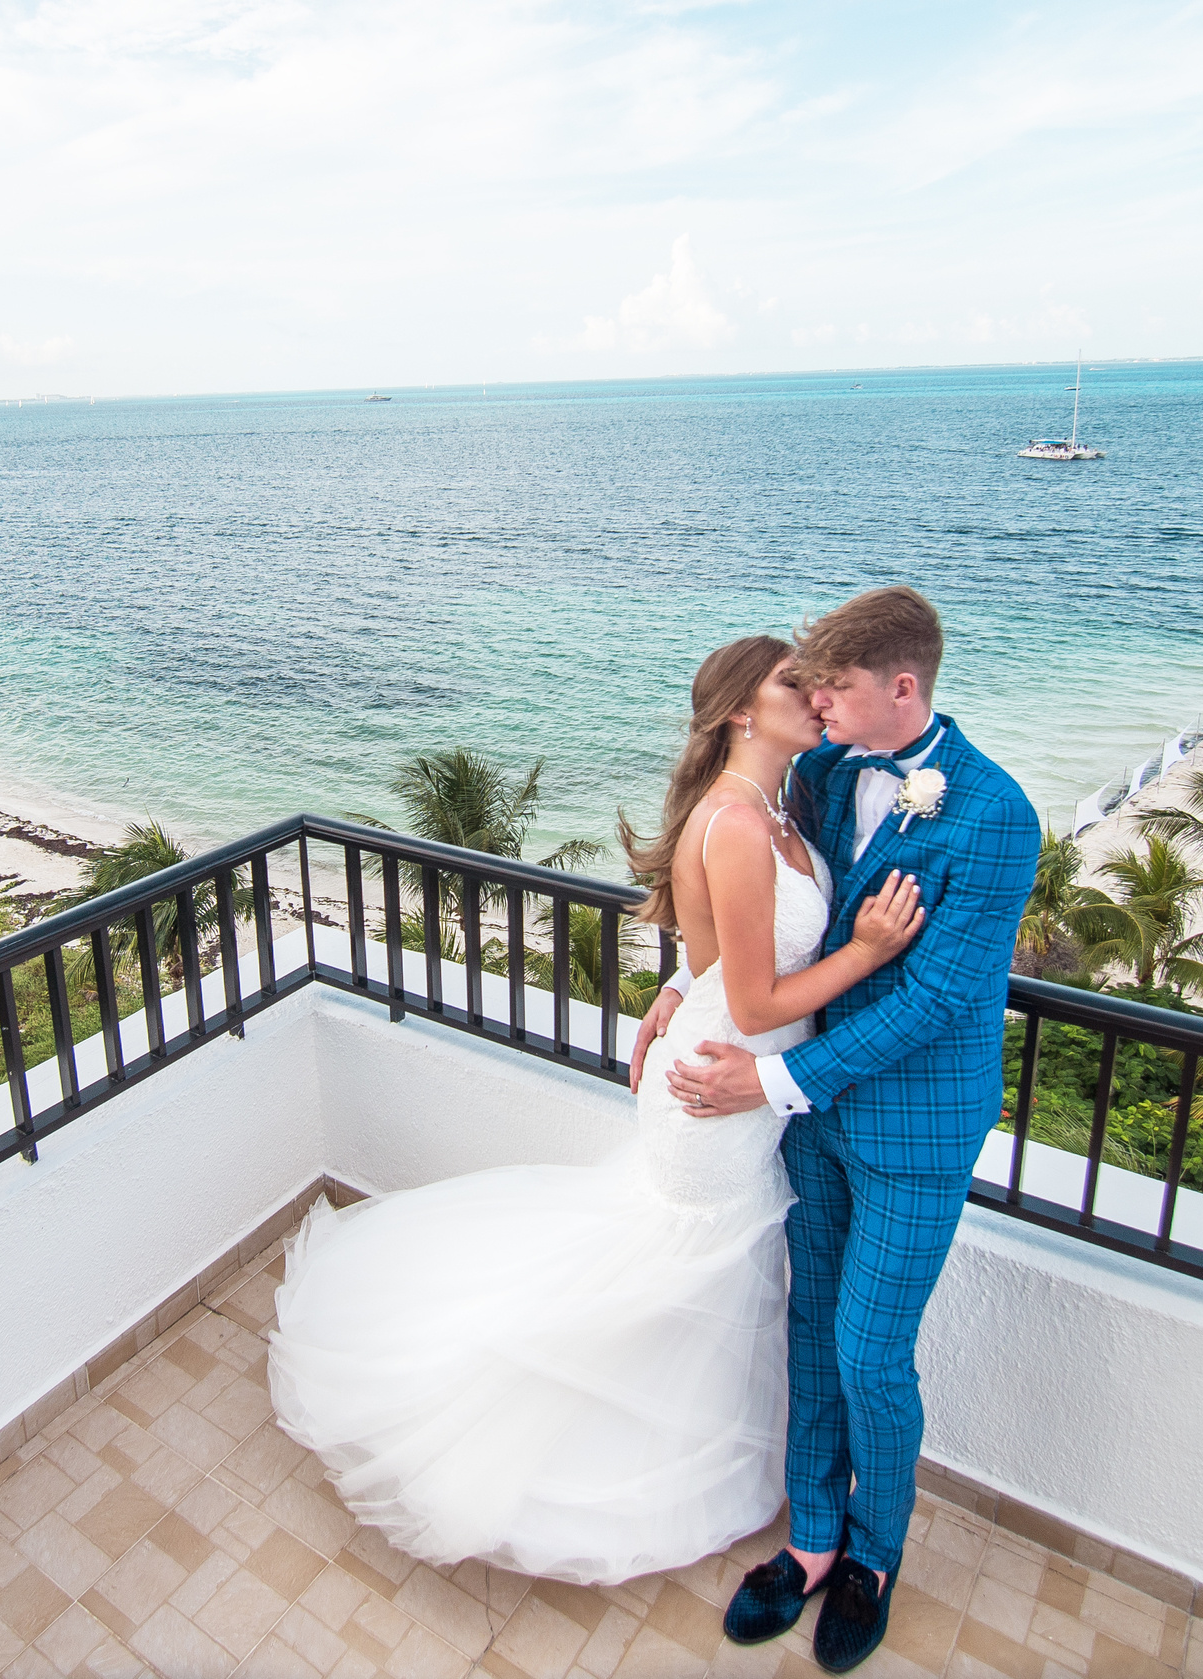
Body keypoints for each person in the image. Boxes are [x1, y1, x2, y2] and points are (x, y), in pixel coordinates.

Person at [267, 635, 925, 1586]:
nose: (816, 695)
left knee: (700, 1282)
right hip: (719, 1087)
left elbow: (725, 960)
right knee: (678, 1270)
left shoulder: (781, 804)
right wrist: (864, 950)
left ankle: (675, 1444)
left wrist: (673, 988)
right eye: (794, 683)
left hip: (731, 1071)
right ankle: (579, 1449)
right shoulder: (737, 824)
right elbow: (756, 1004)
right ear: (742, 709)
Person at [650, 586, 1039, 1672]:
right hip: (812, 1125)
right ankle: (811, 1537)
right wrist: (686, 990)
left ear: (900, 687)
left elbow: (937, 999)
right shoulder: (818, 770)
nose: (817, 701)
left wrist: (773, 1082)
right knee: (809, 1324)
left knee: (872, 1350)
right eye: (807, 686)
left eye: (834, 686)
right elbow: (752, 917)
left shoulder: (995, 813)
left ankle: (874, 1555)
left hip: (914, 1128)